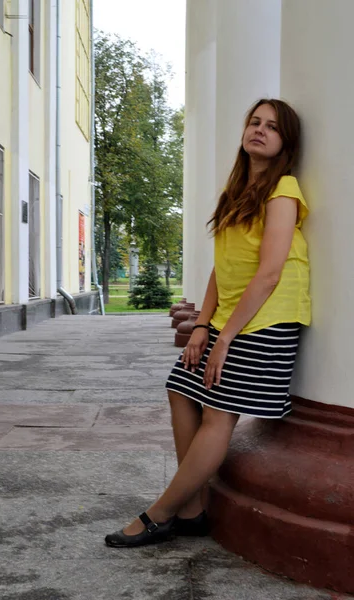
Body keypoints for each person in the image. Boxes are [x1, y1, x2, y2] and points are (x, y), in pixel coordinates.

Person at [105, 98, 311, 548]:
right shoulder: (237, 193)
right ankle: (194, 508)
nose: (259, 130)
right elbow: (222, 267)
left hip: (267, 321)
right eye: (254, 122)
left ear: (285, 143)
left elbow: (270, 273)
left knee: (218, 414)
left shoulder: (284, 191)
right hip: (229, 318)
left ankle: (160, 514)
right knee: (181, 387)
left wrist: (225, 339)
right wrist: (202, 326)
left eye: (272, 127)